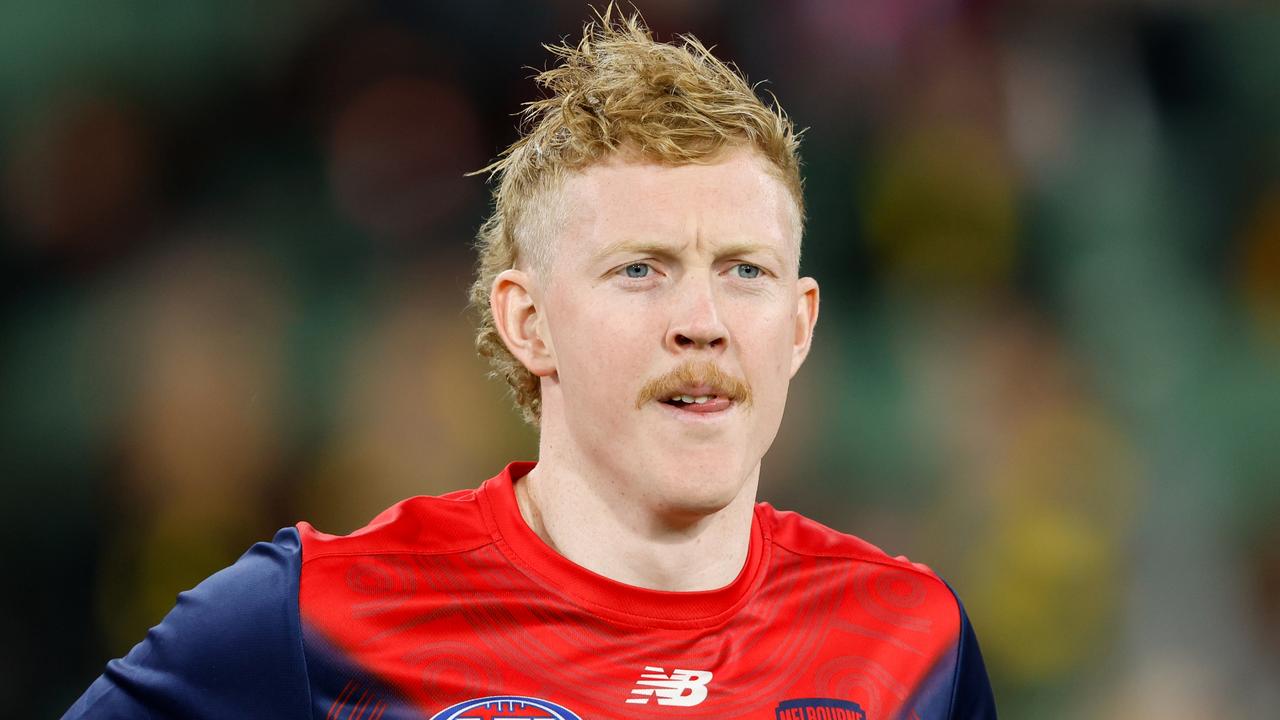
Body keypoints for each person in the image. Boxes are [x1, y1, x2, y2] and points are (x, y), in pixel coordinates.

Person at [66, 7, 995, 719]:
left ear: (799, 327)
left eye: (744, 272)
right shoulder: (312, 614)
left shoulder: (916, 642)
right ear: (528, 322)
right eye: (641, 269)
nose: (702, 322)